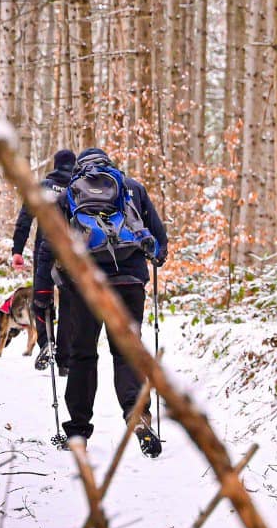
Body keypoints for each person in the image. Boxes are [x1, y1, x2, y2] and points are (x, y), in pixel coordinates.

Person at [56, 148, 168, 456]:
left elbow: (53, 242)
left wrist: (50, 283)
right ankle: (138, 416)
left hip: (86, 284)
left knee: (82, 355)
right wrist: (156, 256)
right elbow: (158, 238)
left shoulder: (70, 193)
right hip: (129, 282)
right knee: (127, 351)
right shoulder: (132, 188)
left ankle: (78, 431)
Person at [11, 148, 76, 372]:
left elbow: (24, 220)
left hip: (44, 251)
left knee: (42, 299)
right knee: (69, 302)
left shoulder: (43, 188)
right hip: (72, 253)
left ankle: (47, 343)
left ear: (55, 165)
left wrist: (17, 250)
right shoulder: (78, 188)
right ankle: (65, 361)